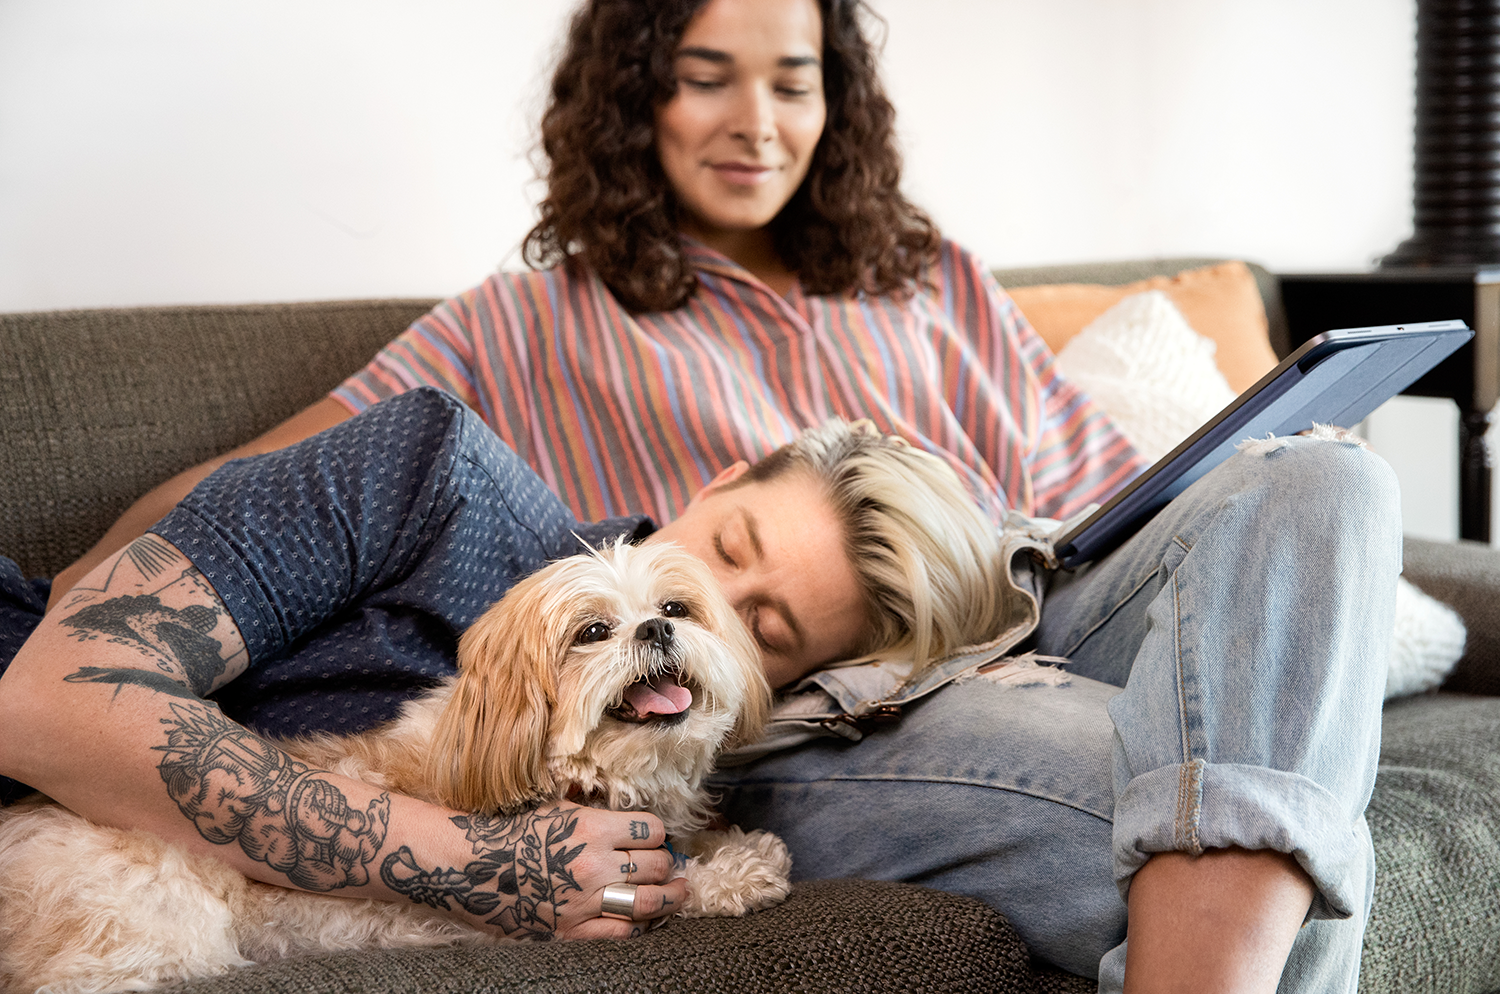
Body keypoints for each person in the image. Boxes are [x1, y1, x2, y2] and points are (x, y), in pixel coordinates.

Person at [11, 0, 1399, 990]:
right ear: (637, 93)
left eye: (793, 79)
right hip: (825, 718)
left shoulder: (935, 281)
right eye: (705, 73)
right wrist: (100, 586)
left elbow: (1110, 500)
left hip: (1021, 596)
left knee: (1318, 479)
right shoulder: (528, 327)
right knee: (1253, 832)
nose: (758, 121)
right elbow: (269, 483)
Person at [0, 388, 1010, 941]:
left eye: (767, 628)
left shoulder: (673, 753)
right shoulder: (430, 469)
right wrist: (487, 866)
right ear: (723, 476)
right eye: (734, 544)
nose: (698, 602)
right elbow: (38, 703)